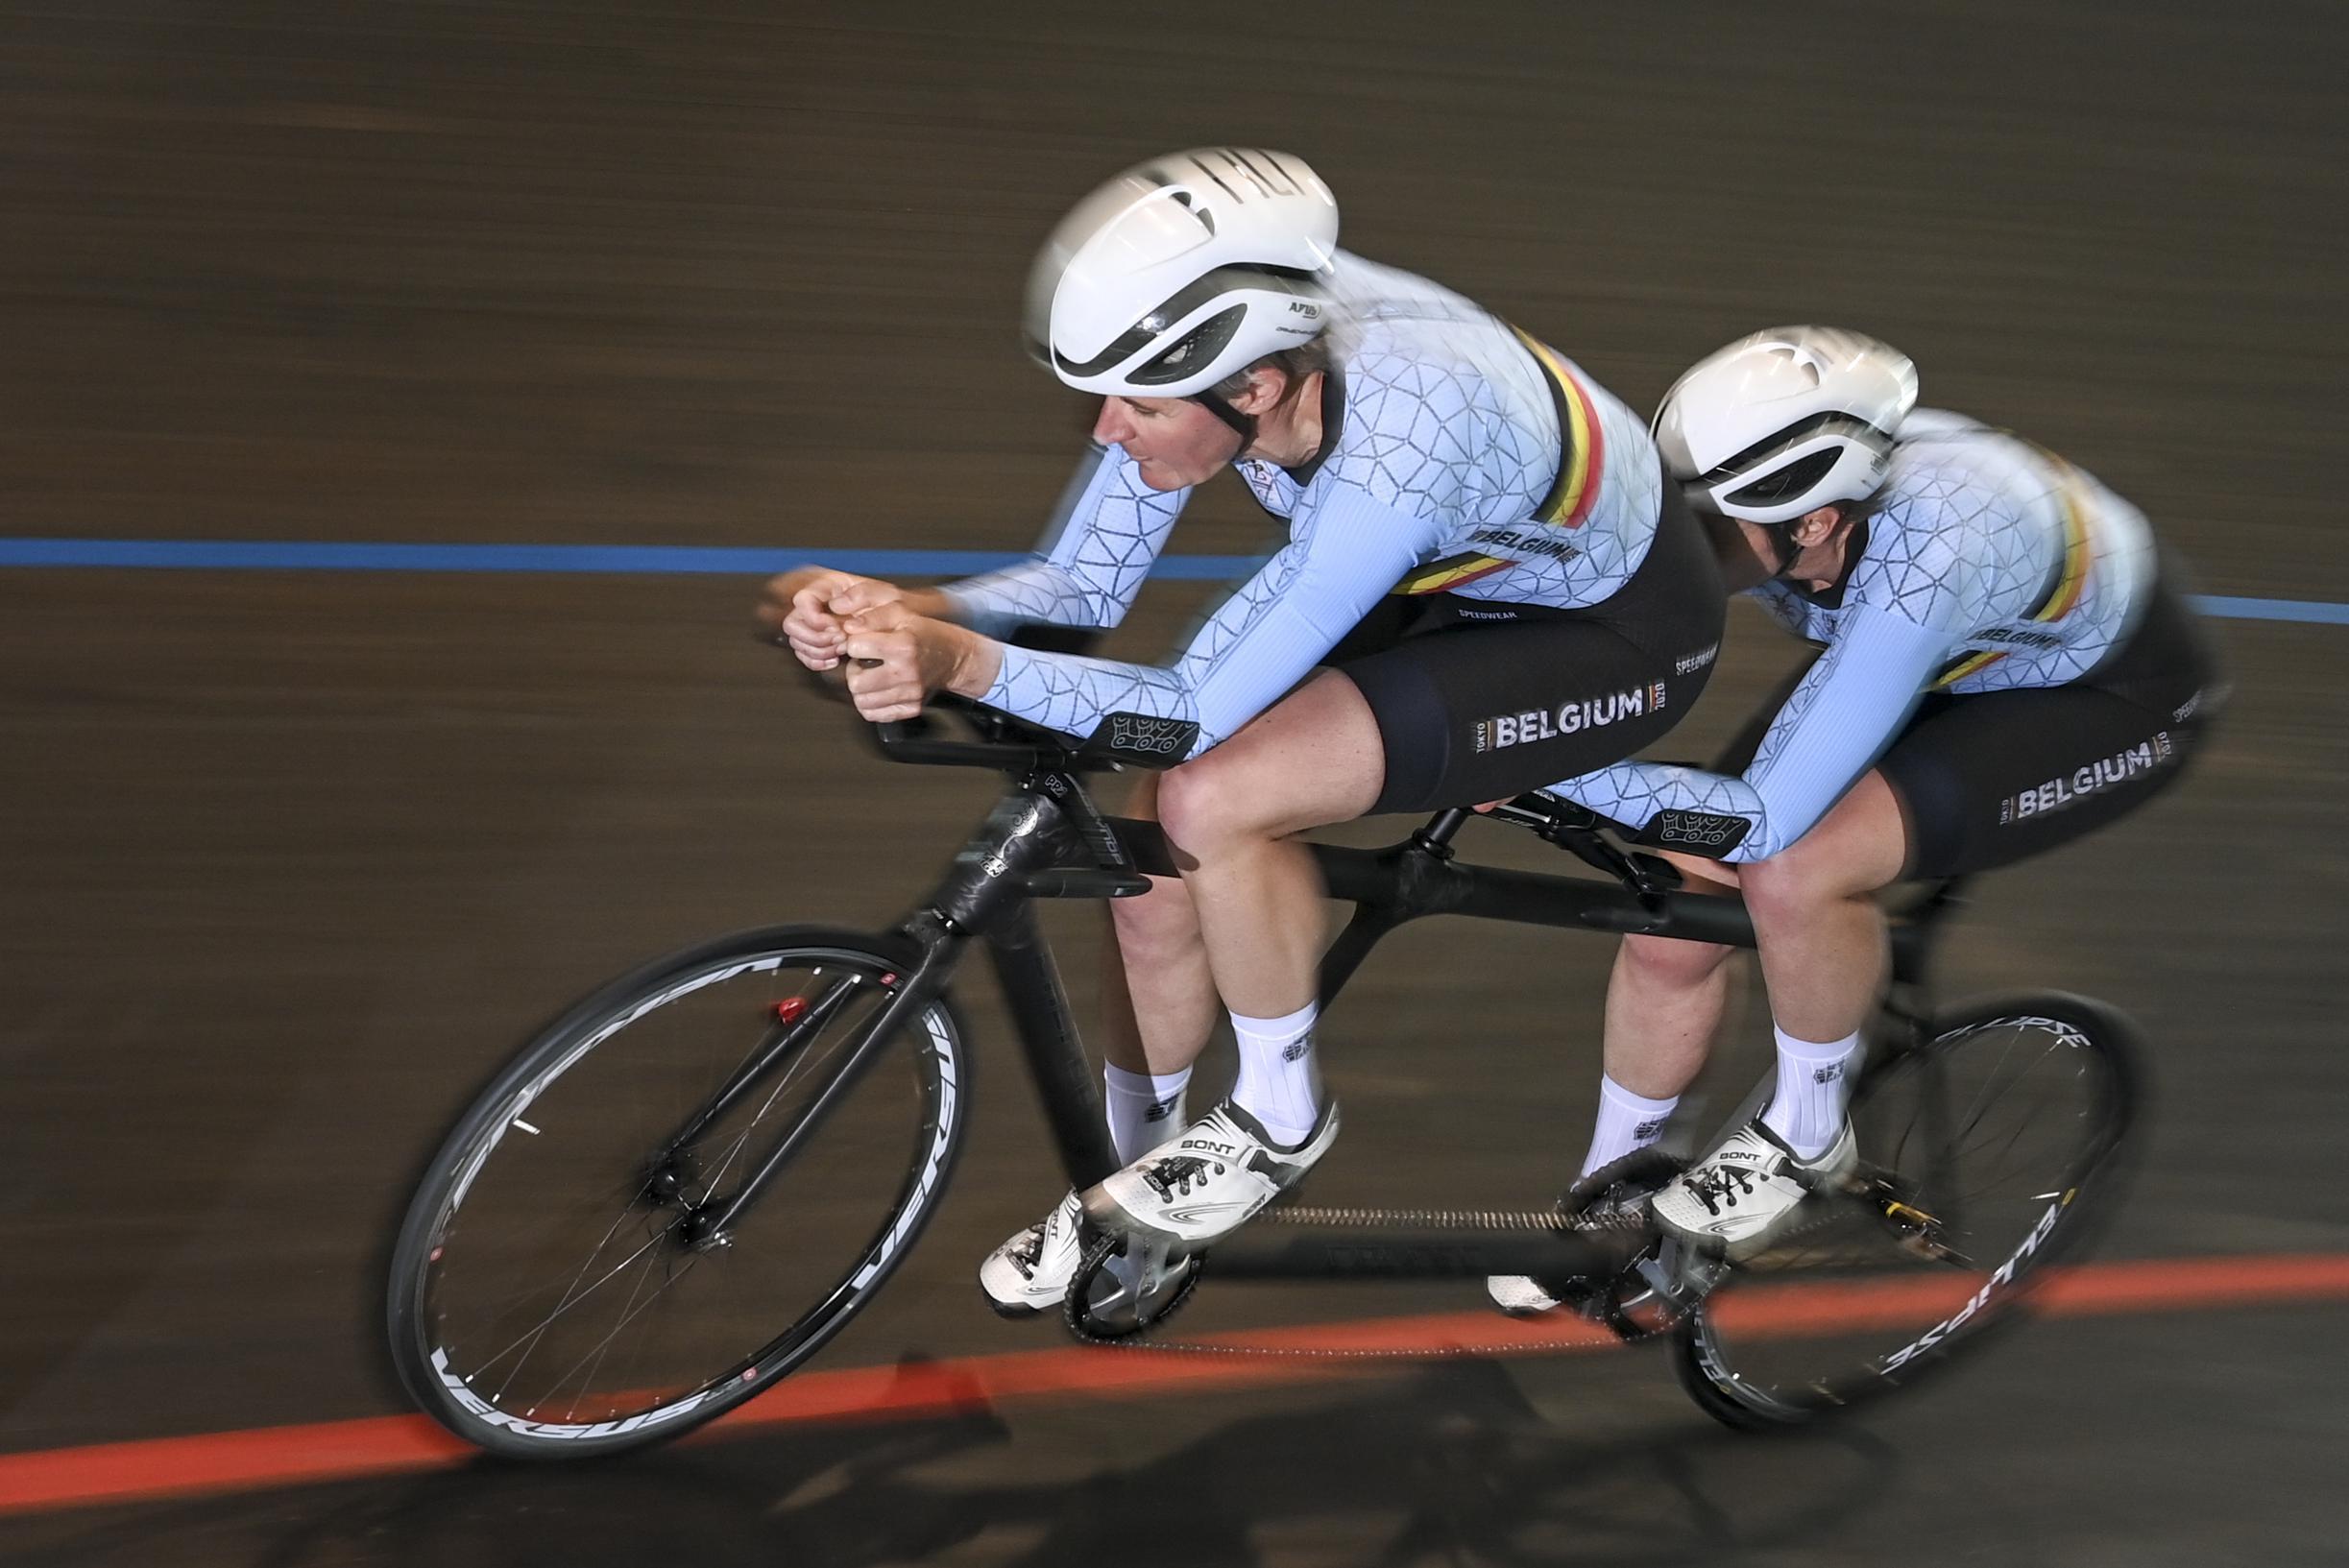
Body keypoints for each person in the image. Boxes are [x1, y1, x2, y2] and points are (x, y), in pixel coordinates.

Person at [759, 146, 1726, 1313]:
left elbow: (1184, 717)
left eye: (1137, 405)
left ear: (1255, 390)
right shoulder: (1234, 354)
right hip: (1448, 574)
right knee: (1146, 850)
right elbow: (1083, 582)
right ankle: (1139, 1182)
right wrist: (907, 610)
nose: (1110, 431)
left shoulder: (1399, 435)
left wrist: (956, 660)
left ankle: (1277, 1114)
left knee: (1214, 795)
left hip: (1613, 627)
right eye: (1098, 397)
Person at [1489, 326, 2224, 1309]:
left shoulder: (1927, 552)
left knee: (1797, 864)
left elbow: (1762, 821)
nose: (1688, 544)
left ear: (1818, 522)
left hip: (2103, 695)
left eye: (1715, 527)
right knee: (1669, 912)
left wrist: (1564, 772)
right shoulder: (1804, 519)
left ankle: (1808, 1131)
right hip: (1959, 642)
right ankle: (1610, 1207)